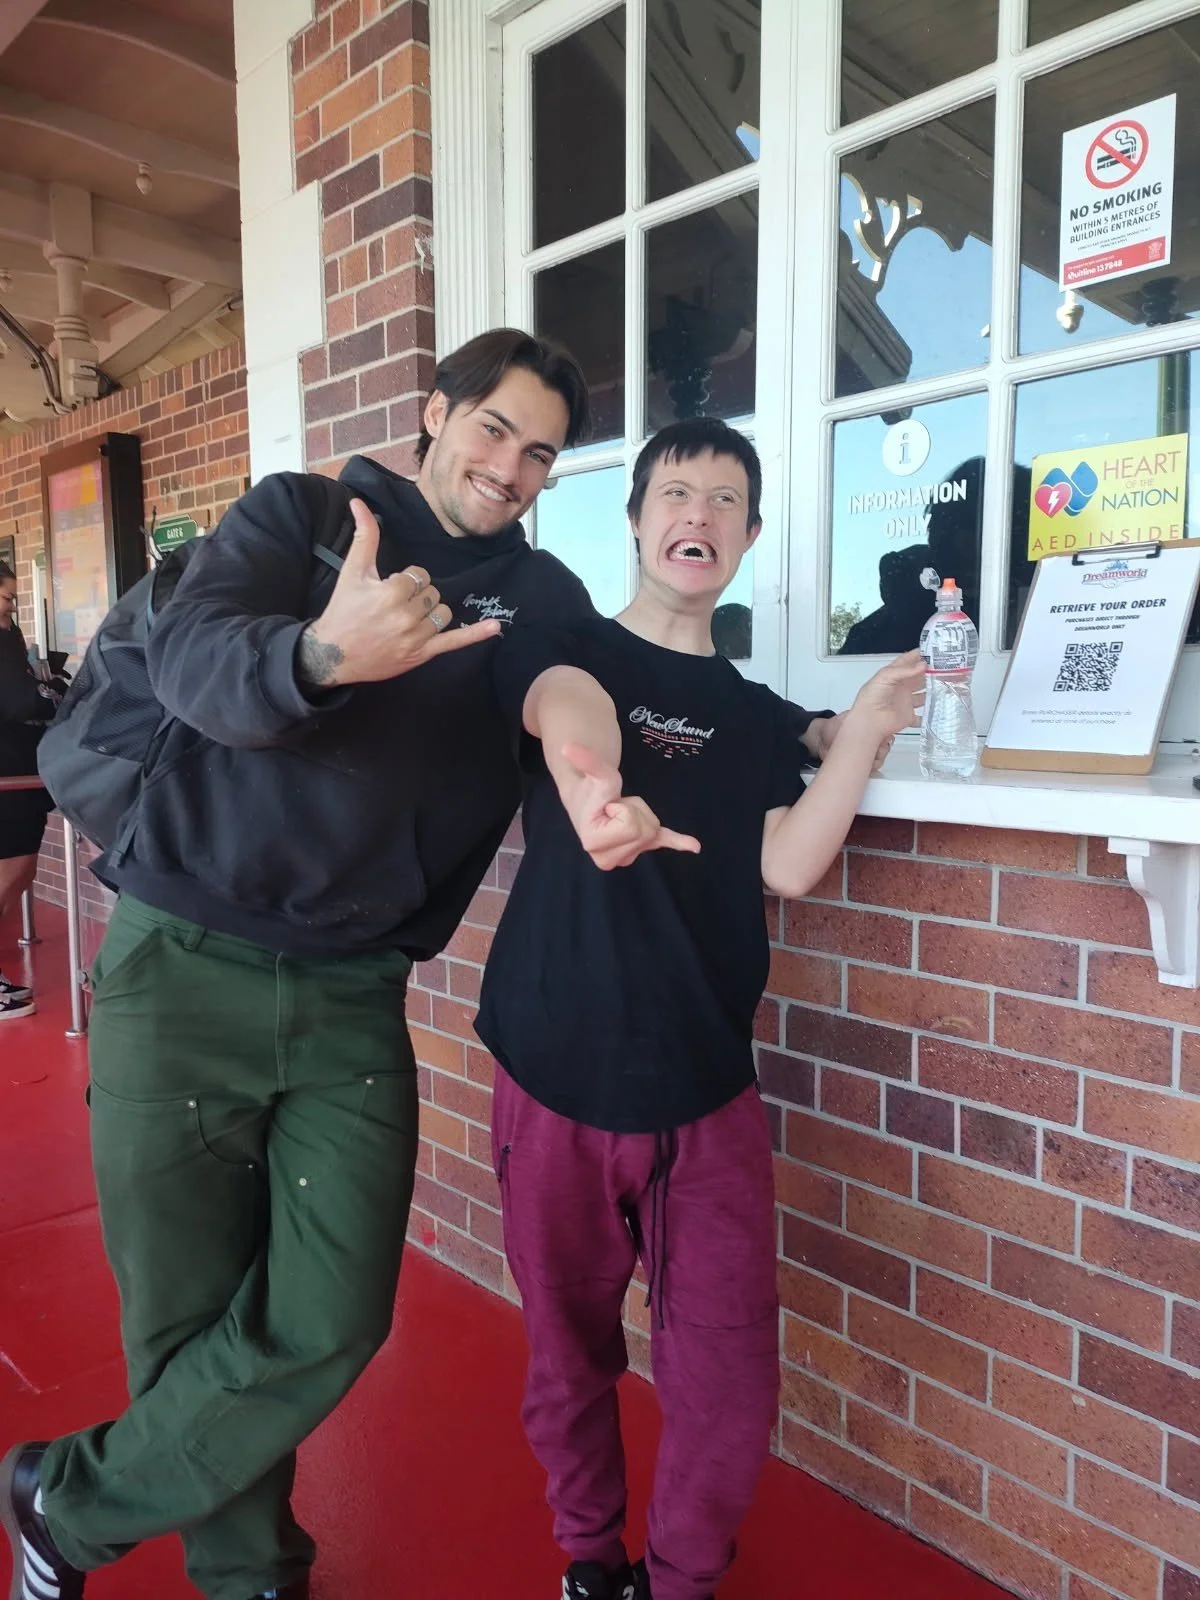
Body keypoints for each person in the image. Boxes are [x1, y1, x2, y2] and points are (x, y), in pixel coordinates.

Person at [0, 329, 596, 1600]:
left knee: (332, 1312)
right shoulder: (307, 519)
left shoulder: (539, 601)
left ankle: (68, 1501)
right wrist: (326, 655)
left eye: (540, 451)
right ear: (436, 413)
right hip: (180, 962)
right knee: (184, 1305)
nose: (510, 467)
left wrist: (791, 731)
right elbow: (196, 658)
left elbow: (591, 692)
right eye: (494, 428)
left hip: (349, 991)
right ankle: (250, 1570)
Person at [475, 417, 923, 1600]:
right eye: (677, 492)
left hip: (706, 1091)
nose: (700, 516)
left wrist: (861, 733)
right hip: (555, 1075)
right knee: (569, 1358)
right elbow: (566, 707)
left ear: (752, 538)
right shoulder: (563, 646)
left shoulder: (755, 710)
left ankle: (678, 1582)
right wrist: (594, 782)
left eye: (727, 501)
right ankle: (589, 1560)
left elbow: (785, 864)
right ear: (634, 520)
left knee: (727, 1382)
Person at [0, 561, 61, 1021]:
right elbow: (20, 699)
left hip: (17, 765)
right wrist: (52, 695)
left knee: (19, 870)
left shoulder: (9, 635)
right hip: (6, 771)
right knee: (12, 868)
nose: (12, 604)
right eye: (5, 597)